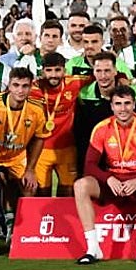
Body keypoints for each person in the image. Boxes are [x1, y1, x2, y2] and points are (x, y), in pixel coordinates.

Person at [74, 86, 136, 265]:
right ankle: (93, 248)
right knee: (80, 185)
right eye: (118, 104)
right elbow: (89, 165)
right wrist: (108, 179)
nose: (123, 108)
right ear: (111, 106)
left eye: (127, 103)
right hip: (113, 183)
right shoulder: (101, 128)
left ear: (134, 104)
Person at [0, 67, 49, 239]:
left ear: (31, 86)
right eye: (16, 85)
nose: (20, 90)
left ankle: (20, 232)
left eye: (25, 86)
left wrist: (31, 169)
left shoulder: (37, 109)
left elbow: (39, 138)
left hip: (16, 156)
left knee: (30, 187)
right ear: (8, 85)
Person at [29, 53, 90, 196]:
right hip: (41, 150)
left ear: (64, 70)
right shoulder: (32, 89)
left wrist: (124, 78)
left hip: (67, 148)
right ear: (42, 71)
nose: (53, 75)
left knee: (67, 192)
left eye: (57, 70)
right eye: (49, 70)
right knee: (42, 193)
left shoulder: (74, 83)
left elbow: (102, 75)